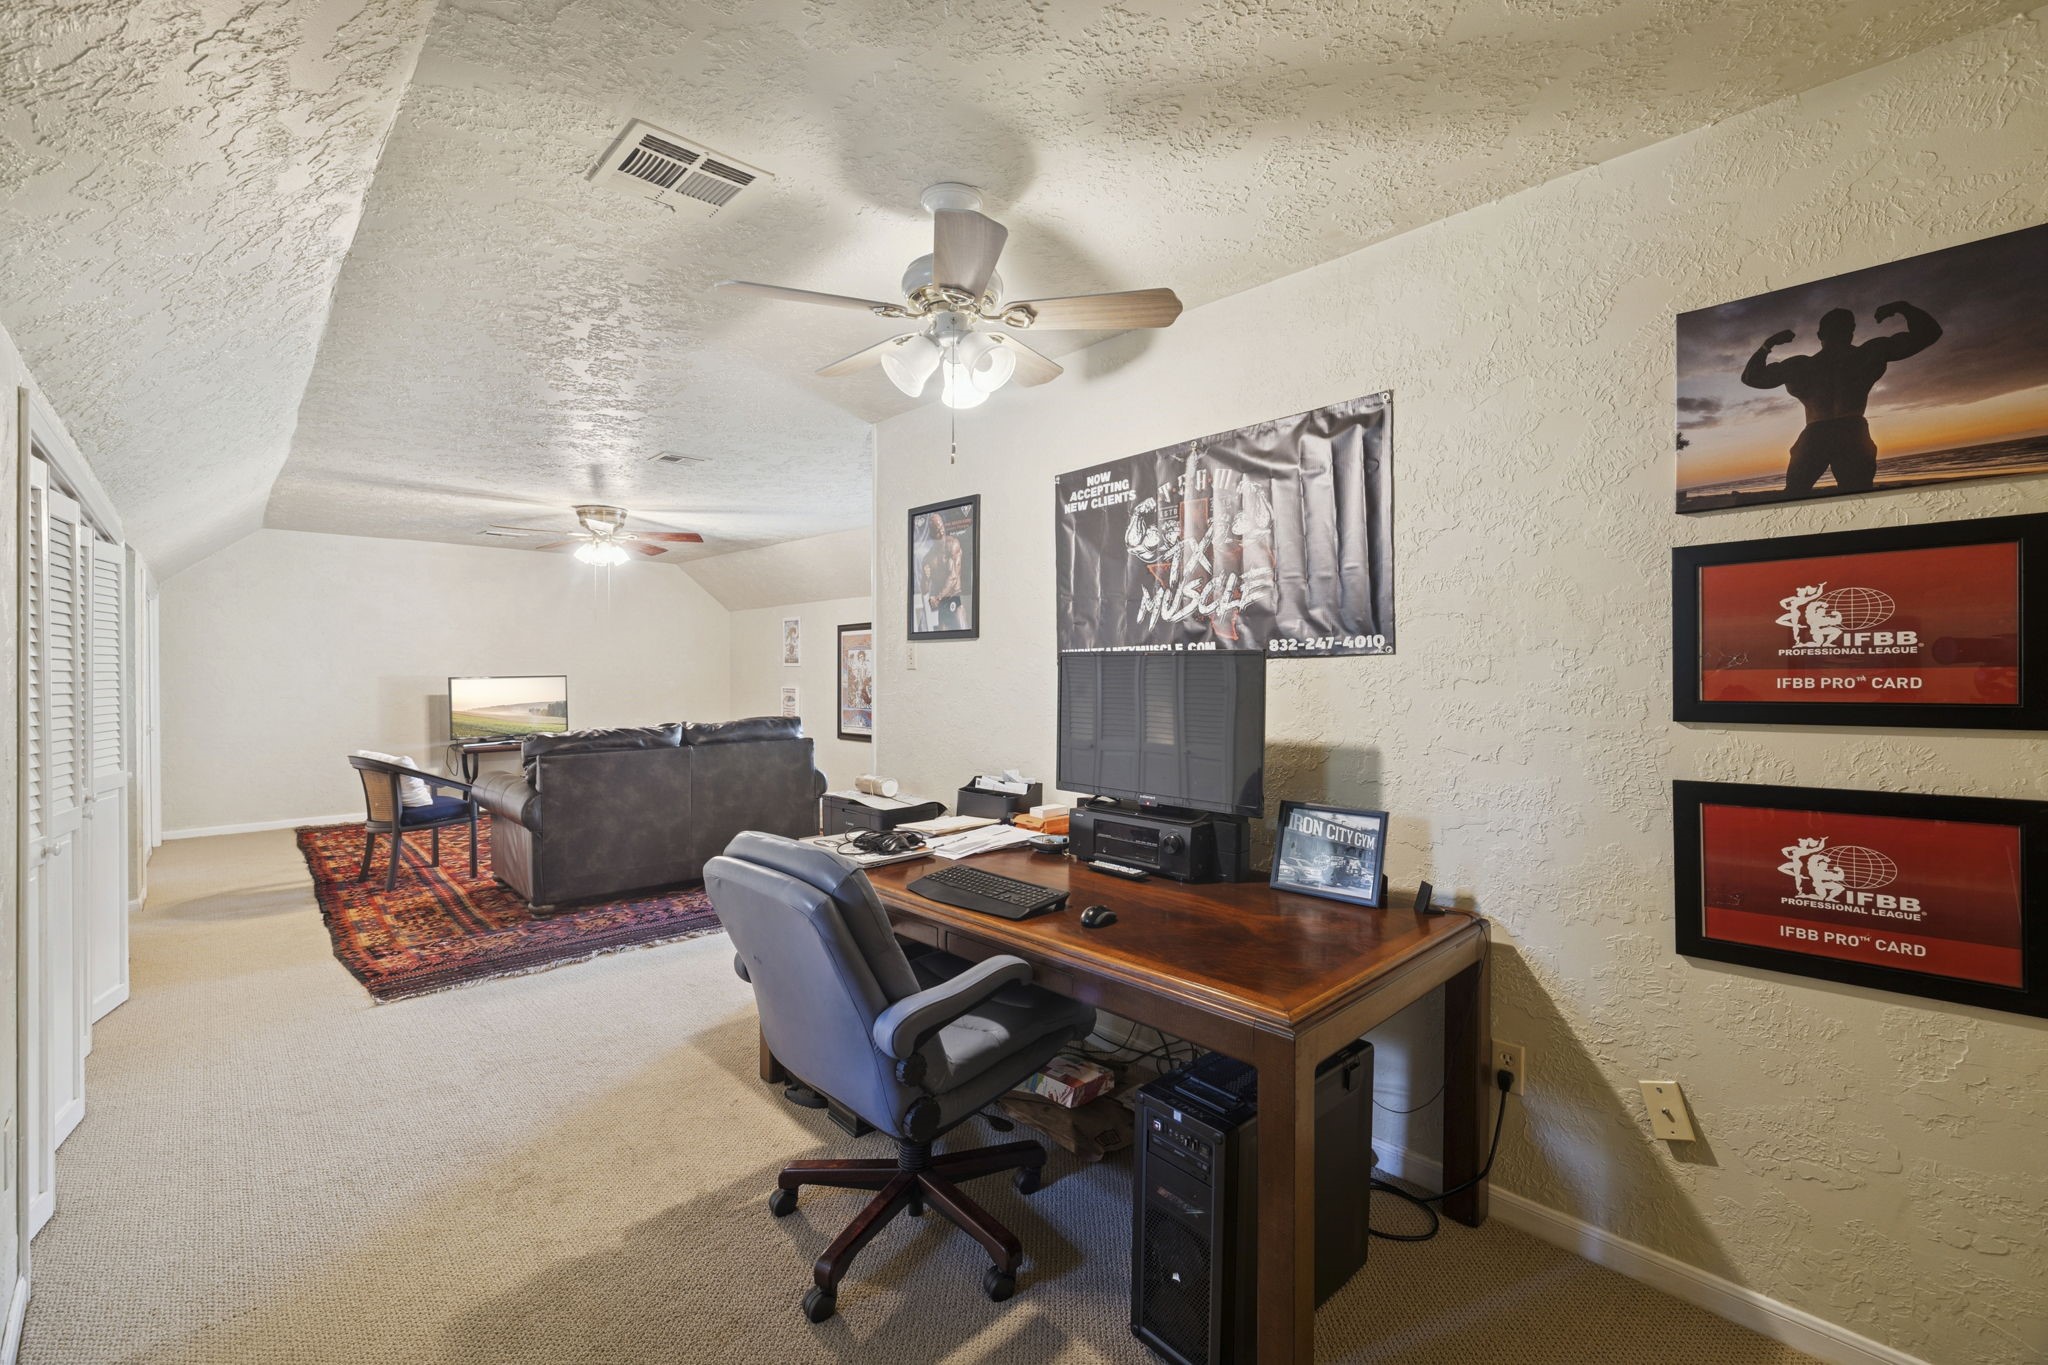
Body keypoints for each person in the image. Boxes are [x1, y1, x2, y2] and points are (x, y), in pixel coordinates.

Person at [1741, 301, 1942, 495]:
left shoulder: (1800, 366)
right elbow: (1929, 333)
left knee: (1794, 494)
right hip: (1851, 432)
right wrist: (1903, 308)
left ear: (1820, 334)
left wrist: (1768, 345)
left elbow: (1751, 377)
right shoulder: (1868, 354)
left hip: (1816, 435)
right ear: (1851, 332)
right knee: (1857, 495)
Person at [917, 512, 967, 631]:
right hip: (942, 604)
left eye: (941, 528)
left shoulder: (952, 545)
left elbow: (953, 577)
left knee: (963, 631)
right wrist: (926, 578)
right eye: (937, 531)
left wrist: (938, 598)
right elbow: (924, 590)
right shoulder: (928, 558)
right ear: (931, 534)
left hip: (955, 597)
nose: (941, 533)